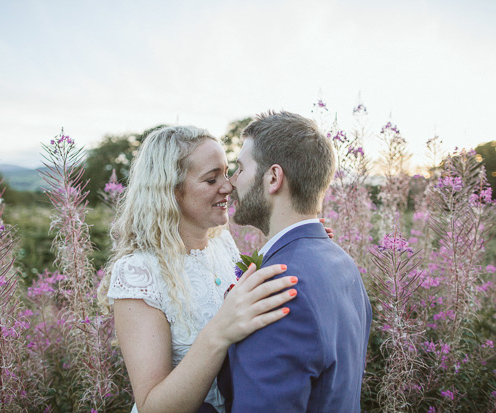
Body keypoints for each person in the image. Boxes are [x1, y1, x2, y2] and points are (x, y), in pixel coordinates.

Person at [97, 125, 303, 413]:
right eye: (211, 179)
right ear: (170, 190)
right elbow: (152, 407)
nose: (228, 186)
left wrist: (297, 245)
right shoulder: (138, 273)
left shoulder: (222, 243)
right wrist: (219, 332)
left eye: (227, 172)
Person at [218, 111, 372, 412]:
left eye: (239, 168)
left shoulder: (278, 289)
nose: (232, 182)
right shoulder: (343, 263)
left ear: (273, 177)